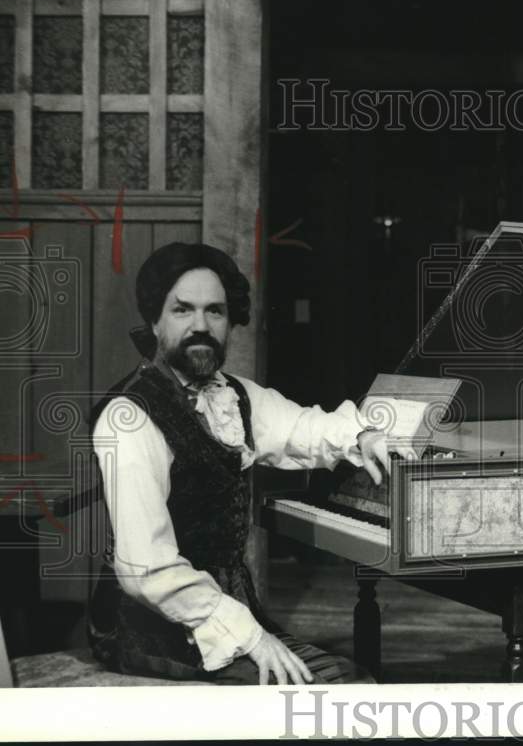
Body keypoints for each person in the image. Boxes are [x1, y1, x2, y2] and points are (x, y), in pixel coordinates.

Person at [88, 241, 388, 685]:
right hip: (150, 628)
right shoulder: (130, 416)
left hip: (228, 614)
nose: (201, 326)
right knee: (341, 690)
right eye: (182, 310)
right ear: (154, 321)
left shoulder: (236, 397)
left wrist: (361, 435)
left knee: (347, 682)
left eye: (215, 312)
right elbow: (144, 568)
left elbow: (301, 428)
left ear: (230, 323)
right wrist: (251, 637)